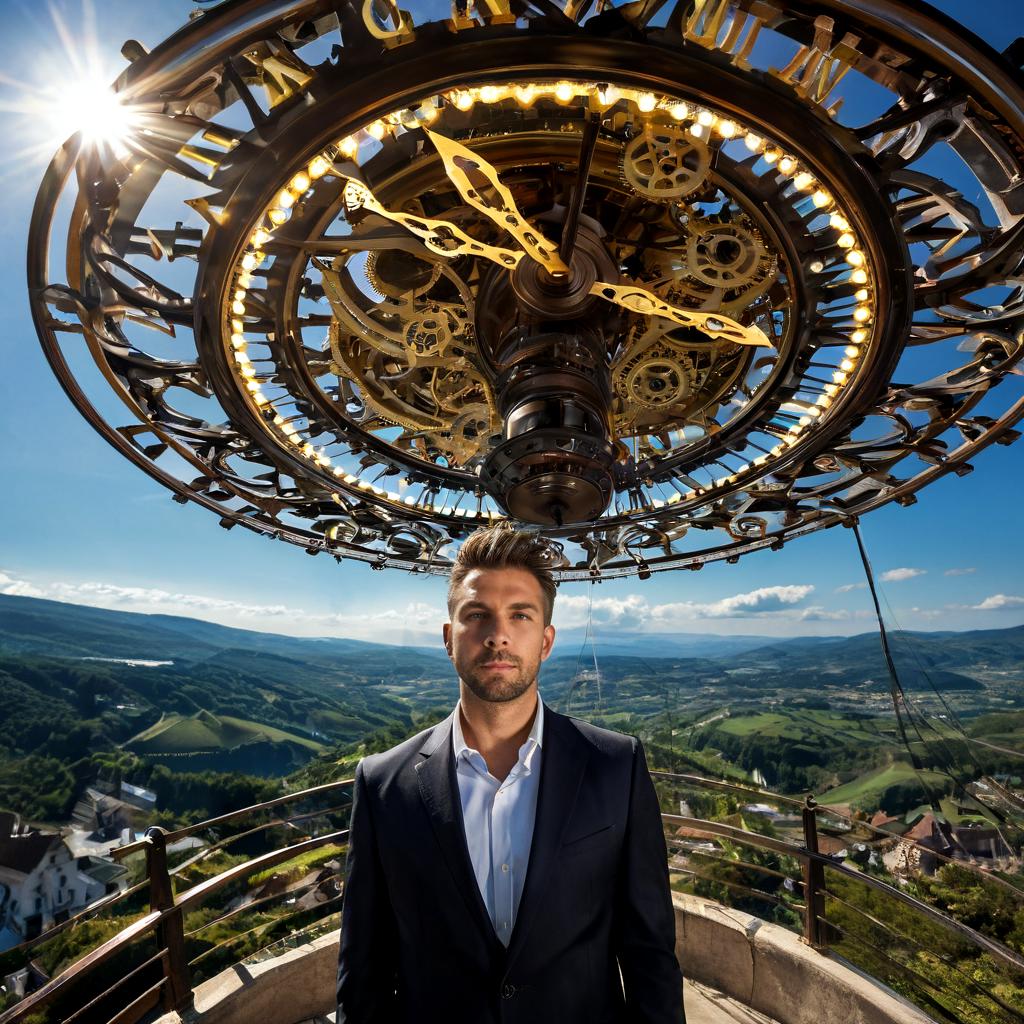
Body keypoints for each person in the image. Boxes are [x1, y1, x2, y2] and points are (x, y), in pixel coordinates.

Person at [336, 524, 684, 1023]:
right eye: (476, 615)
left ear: (545, 641)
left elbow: (650, 954)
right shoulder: (382, 784)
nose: (498, 634)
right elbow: (363, 969)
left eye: (519, 615)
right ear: (448, 638)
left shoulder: (616, 767)